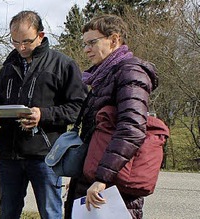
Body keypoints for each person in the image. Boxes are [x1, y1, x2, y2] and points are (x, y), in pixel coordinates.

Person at [0, 10, 86, 219]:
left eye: (27, 41)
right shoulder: (7, 68)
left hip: (46, 155)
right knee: (7, 213)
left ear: (41, 36)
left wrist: (42, 115)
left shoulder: (62, 65)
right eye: (15, 41)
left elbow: (78, 108)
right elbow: (0, 103)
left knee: (50, 214)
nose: (21, 47)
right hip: (9, 155)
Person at [64, 14, 160, 219]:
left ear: (114, 40)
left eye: (92, 42)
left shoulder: (131, 73)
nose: (86, 49)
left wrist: (102, 178)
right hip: (94, 179)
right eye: (84, 44)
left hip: (112, 186)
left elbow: (132, 129)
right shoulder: (104, 75)